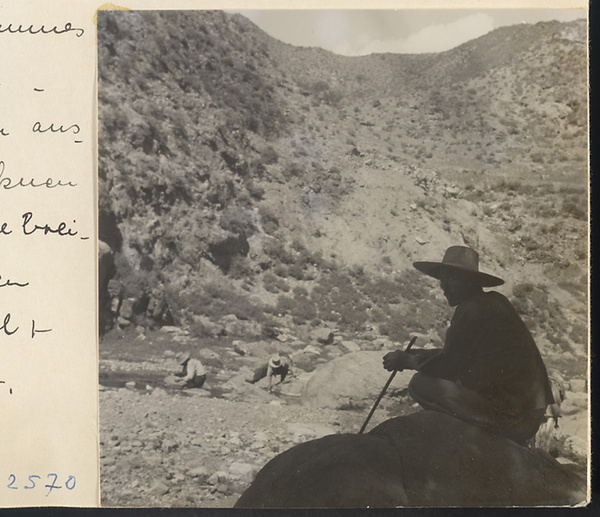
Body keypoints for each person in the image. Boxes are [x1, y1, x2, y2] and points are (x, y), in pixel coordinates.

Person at [383, 246, 554, 445]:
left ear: (468, 281)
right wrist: (420, 354)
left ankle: (471, 440)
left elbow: (449, 365)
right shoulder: (494, 301)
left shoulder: (471, 310)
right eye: (442, 280)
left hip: (515, 417)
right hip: (529, 411)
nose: (443, 287)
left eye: (450, 279)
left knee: (419, 384)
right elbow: (461, 355)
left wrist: (408, 361)